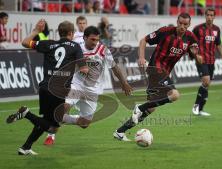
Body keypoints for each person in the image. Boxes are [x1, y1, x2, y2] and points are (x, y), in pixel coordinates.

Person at [113, 12, 203, 141]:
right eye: (180, 23)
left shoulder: (190, 38)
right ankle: (140, 107)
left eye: (185, 24)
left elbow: (199, 60)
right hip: (155, 68)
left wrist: (196, 55)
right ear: (177, 22)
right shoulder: (165, 31)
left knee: (151, 108)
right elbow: (144, 40)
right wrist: (141, 57)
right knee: (175, 95)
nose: (182, 26)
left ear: (189, 25)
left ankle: (120, 132)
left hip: (165, 72)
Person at [6, 19, 88, 155]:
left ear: (59, 33)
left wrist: (36, 31)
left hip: (45, 88)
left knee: (45, 121)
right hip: (59, 91)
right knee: (53, 128)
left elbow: (25, 42)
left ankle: (26, 147)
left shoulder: (49, 44)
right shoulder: (75, 46)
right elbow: (84, 69)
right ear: (71, 33)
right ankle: (27, 114)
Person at [61, 25, 132, 129]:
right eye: (92, 39)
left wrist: (124, 83)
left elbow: (115, 68)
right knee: (65, 107)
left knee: (84, 123)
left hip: (92, 90)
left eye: (97, 40)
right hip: (77, 85)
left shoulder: (103, 50)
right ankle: (55, 120)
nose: (95, 42)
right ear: (84, 37)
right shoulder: (77, 49)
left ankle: (63, 118)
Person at [43, 15, 88, 146]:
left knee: (85, 124)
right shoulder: (72, 41)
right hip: (75, 81)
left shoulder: (94, 41)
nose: (82, 25)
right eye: (80, 23)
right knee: (63, 107)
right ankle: (51, 135)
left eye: (84, 23)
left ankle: (74, 119)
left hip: (89, 85)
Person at [192, 8, 222, 116]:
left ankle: (201, 109)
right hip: (201, 60)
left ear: (214, 17)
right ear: (205, 16)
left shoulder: (216, 29)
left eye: (212, 15)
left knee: (207, 86)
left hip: (212, 61)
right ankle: (196, 106)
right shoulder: (198, 29)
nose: (209, 17)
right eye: (208, 15)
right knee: (206, 81)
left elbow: (218, 45)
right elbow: (191, 43)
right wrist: (195, 55)